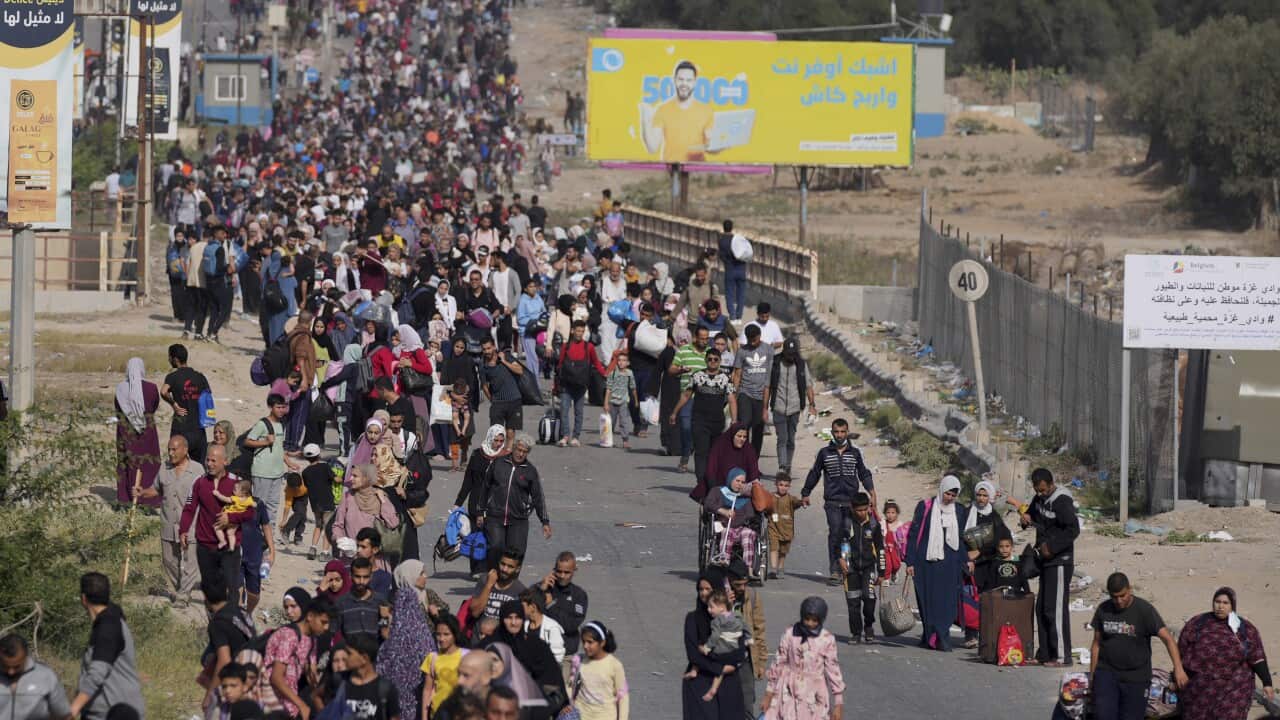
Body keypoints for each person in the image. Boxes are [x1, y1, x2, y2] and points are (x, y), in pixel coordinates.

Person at [1089, 573, 1188, 720]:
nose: (1118, 601)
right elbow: (1096, 644)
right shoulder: (1103, 609)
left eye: (1122, 595)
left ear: (1130, 589)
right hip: (1107, 673)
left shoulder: (1144, 610)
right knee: (1103, 715)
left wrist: (1179, 669)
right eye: (1114, 596)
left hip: (1136, 677)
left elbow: (1168, 639)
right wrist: (1093, 676)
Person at [1177, 586, 1272, 720]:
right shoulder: (1198, 623)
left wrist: (1267, 683)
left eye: (1225, 603)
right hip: (1200, 687)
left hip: (1235, 687)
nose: (1220, 606)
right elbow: (1182, 649)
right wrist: (1178, 671)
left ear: (1232, 605)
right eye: (1217, 602)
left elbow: (1257, 657)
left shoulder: (1245, 628)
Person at [799, 418, 875, 586]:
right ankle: (835, 570)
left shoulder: (855, 453)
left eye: (843, 432)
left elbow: (863, 473)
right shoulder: (824, 453)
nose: (840, 435)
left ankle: (847, 568)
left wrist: (872, 492)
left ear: (847, 432)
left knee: (848, 534)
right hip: (832, 502)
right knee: (835, 532)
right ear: (832, 433)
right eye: (836, 432)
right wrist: (806, 492)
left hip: (851, 502)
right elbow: (815, 473)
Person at [132, 434, 203, 605]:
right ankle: (182, 587)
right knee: (169, 560)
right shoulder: (164, 467)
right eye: (169, 449)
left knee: (190, 562)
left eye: (174, 449)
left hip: (191, 525)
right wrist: (142, 492)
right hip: (168, 523)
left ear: (185, 450)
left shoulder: (198, 470)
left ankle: (183, 595)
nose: (170, 453)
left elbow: (205, 495)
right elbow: (156, 490)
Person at [1020, 467, 1079, 666]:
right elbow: (1031, 514)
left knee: (1055, 609)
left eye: (1044, 490)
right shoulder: (1039, 499)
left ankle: (1062, 656)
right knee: (1042, 608)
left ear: (1051, 484)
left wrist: (1052, 547)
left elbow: (1073, 529)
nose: (1041, 494)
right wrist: (1025, 519)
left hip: (1060, 562)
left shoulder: (1062, 501)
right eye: (1038, 490)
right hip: (1044, 561)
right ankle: (1045, 653)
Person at [180, 444, 257, 596]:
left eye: (214, 461)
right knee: (209, 588)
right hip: (205, 544)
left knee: (231, 587)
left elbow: (251, 512)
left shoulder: (238, 484)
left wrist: (231, 517)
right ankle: (213, 617)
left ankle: (231, 616)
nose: (209, 464)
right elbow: (189, 508)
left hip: (229, 546)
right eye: (207, 460)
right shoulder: (199, 482)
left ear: (225, 461)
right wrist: (183, 530)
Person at [904, 475, 970, 651]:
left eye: (953, 495)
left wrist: (967, 560)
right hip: (926, 564)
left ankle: (942, 636)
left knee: (947, 602)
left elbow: (961, 539)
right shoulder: (925, 507)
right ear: (942, 490)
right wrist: (909, 561)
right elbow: (913, 534)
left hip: (950, 565)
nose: (949, 498)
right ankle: (929, 636)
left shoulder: (959, 510)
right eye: (947, 493)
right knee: (927, 601)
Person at [69, 573, 144, 720]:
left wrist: (74, 708)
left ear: (84, 599)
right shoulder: (111, 619)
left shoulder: (108, 627)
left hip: (116, 714)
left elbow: (98, 672)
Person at [760, 597, 844, 720]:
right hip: (789, 691)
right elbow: (778, 662)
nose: (810, 623)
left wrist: (838, 703)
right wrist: (768, 693)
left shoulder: (827, 639)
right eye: (807, 619)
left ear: (821, 619)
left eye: (815, 620)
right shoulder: (790, 633)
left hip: (814, 694)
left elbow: (833, 670)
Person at [477, 434, 551, 569]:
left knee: (517, 552)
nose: (521, 454)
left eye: (525, 451)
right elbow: (485, 487)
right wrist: (480, 511)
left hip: (518, 519)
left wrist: (544, 521)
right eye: (519, 449)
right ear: (514, 448)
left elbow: (538, 497)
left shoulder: (530, 471)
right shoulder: (498, 463)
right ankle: (493, 576)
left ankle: (510, 583)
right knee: (496, 546)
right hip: (495, 516)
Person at [375, 563, 435, 720]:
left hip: (395, 699)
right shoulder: (421, 631)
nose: (425, 577)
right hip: (417, 694)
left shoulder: (428, 596)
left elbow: (381, 664)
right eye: (421, 573)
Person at [670, 348, 737, 485]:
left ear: (719, 361)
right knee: (701, 451)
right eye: (710, 359)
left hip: (717, 422)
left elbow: (731, 400)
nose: (712, 362)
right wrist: (675, 412)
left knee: (714, 454)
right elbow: (686, 395)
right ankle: (701, 481)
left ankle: (711, 482)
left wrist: (734, 420)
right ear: (706, 360)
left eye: (715, 359)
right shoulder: (697, 376)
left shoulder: (725, 378)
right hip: (699, 420)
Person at [682, 576, 744, 719]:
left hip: (729, 686)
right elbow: (693, 655)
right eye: (700, 589)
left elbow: (739, 651)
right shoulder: (692, 619)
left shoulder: (731, 619)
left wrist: (715, 657)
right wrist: (720, 667)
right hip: (701, 684)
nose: (703, 593)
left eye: (707, 589)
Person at [263, 597, 332, 718]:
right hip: (271, 702)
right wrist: (301, 705)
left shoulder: (312, 639)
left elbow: (309, 674)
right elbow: (276, 677)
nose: (326, 628)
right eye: (323, 622)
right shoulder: (290, 636)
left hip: (289, 702)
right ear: (310, 616)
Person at [455, 425, 509, 577]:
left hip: (496, 504)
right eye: (496, 440)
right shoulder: (477, 454)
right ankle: (477, 569)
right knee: (476, 536)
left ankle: (491, 568)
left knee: (493, 538)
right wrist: (458, 502)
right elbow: (468, 480)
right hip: (476, 502)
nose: (498, 444)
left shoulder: (506, 457)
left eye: (501, 440)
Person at [640, 60, 714, 162]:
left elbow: (711, 147)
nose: (684, 84)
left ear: (695, 82)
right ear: (674, 80)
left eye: (689, 80)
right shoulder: (663, 109)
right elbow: (652, 148)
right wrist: (645, 120)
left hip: (697, 170)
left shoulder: (706, 111)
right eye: (681, 79)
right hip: (671, 170)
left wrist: (723, 144)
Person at [115, 357, 162, 507]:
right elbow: (154, 406)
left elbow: (118, 410)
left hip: (126, 431)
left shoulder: (121, 388)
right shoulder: (151, 388)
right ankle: (148, 500)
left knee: (127, 463)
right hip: (147, 431)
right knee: (148, 463)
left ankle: (126, 498)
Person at [839, 493, 885, 645]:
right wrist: (841, 560)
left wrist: (882, 572)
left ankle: (869, 625)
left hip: (869, 568)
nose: (862, 513)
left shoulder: (873, 525)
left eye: (865, 509)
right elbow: (839, 543)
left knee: (869, 597)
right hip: (850, 569)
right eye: (859, 510)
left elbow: (880, 549)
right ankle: (856, 633)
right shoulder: (846, 524)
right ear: (852, 509)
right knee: (853, 603)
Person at [554, 320, 607, 447]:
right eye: (578, 331)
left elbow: (596, 363)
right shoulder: (566, 346)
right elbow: (560, 365)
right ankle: (565, 436)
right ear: (572, 331)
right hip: (566, 384)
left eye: (582, 331)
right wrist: (555, 384)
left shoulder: (589, 347)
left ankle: (576, 437)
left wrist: (605, 374)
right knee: (564, 410)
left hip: (581, 385)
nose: (580, 333)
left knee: (579, 412)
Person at [540, 551, 588, 685]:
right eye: (559, 571)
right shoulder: (544, 587)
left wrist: (550, 605)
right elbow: (525, 609)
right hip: (541, 650)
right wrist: (539, 591)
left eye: (567, 573)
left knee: (562, 694)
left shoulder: (579, 595)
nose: (562, 576)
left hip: (565, 653)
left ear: (574, 570)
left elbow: (571, 624)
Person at [768, 338, 816, 476]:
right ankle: (782, 466)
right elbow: (768, 386)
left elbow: (808, 385)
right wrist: (764, 406)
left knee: (791, 439)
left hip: (795, 408)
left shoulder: (801, 365)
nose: (791, 356)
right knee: (782, 438)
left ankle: (788, 464)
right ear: (784, 352)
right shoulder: (775, 363)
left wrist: (812, 405)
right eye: (788, 354)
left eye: (793, 354)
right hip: (778, 406)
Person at [331, 464, 400, 553]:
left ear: (366, 478)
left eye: (355, 476)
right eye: (351, 475)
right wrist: (342, 541)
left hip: (375, 559)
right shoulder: (348, 497)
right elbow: (337, 526)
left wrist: (383, 501)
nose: (351, 479)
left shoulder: (379, 497)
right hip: (352, 557)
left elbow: (393, 523)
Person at [0, 633, 71, 720]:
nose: (11, 672)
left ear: (26, 657)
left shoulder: (46, 676)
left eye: (16, 666)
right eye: (5, 666)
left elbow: (64, 715)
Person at [245, 394, 292, 524]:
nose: (281, 410)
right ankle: (253, 534)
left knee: (273, 506)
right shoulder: (262, 424)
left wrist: (288, 462)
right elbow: (248, 441)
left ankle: (267, 537)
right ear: (271, 407)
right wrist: (265, 442)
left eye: (283, 407)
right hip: (262, 472)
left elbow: (279, 447)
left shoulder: (281, 424)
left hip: (277, 473)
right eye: (278, 407)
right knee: (258, 506)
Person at [701, 469, 759, 573]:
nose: (739, 484)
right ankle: (724, 560)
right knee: (727, 533)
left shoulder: (744, 498)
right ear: (730, 479)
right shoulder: (718, 491)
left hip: (741, 528)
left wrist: (742, 514)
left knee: (749, 533)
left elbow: (750, 514)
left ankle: (747, 568)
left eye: (742, 482)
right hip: (724, 526)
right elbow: (708, 504)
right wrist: (723, 511)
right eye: (737, 481)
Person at [161, 343, 211, 462]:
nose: (168, 359)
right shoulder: (200, 377)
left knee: (177, 463)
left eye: (169, 357)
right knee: (199, 467)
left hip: (181, 428)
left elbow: (163, 391)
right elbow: (207, 398)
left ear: (175, 359)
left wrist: (174, 404)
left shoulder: (173, 377)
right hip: (198, 429)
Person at [573, 622, 629, 720]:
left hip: (605, 716)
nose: (585, 646)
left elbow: (623, 696)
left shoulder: (614, 665)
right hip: (580, 715)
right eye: (584, 641)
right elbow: (571, 687)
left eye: (590, 642)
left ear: (602, 643)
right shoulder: (578, 660)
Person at [732, 324, 773, 455]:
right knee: (744, 424)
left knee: (758, 429)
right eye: (749, 339)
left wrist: (767, 402)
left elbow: (770, 374)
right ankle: (741, 456)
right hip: (745, 393)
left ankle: (753, 461)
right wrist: (734, 394)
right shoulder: (742, 351)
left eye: (754, 339)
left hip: (762, 395)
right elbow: (737, 374)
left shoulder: (768, 349)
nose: (752, 342)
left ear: (759, 336)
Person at [695, 422, 760, 503]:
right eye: (739, 436)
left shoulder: (749, 449)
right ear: (732, 436)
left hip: (742, 490)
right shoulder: (720, 446)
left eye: (744, 437)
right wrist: (715, 489)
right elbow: (711, 469)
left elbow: (754, 470)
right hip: (720, 487)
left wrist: (754, 483)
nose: (742, 439)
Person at [421, 615, 469, 718]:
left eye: (446, 634)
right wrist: (424, 717)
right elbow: (427, 690)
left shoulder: (466, 656)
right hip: (437, 714)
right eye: (438, 634)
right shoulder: (432, 658)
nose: (442, 639)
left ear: (455, 635)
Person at [337, 557, 390, 643]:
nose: (361, 581)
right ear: (351, 575)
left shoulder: (380, 601)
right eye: (357, 576)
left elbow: (386, 633)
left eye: (365, 577)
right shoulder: (341, 602)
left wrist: (385, 618)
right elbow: (336, 633)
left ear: (371, 576)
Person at [479, 337, 525, 431]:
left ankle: (508, 446)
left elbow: (520, 370)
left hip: (514, 399)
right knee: (496, 431)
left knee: (510, 431)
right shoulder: (483, 365)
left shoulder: (505, 356)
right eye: (484, 349)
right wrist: (492, 399)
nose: (487, 351)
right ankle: (500, 446)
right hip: (497, 402)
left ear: (494, 347)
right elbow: (484, 386)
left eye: (488, 348)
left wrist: (504, 361)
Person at [470, 550, 528, 623]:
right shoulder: (485, 580)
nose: (504, 569)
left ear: (517, 569)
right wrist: (489, 585)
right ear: (498, 562)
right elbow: (475, 613)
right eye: (503, 564)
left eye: (510, 567)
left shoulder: (520, 590)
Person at [300, 445, 334, 561]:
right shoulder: (325, 467)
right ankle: (324, 552)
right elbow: (335, 479)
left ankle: (313, 548)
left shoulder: (305, 472)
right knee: (328, 527)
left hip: (315, 503)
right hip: (327, 501)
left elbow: (307, 485)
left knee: (318, 525)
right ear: (319, 455)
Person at [767, 473, 801, 580]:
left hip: (787, 529)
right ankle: (773, 568)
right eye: (781, 485)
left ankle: (780, 567)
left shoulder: (791, 499)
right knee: (774, 547)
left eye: (786, 486)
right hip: (773, 527)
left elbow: (798, 503)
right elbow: (764, 505)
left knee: (783, 551)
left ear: (789, 486)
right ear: (776, 484)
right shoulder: (770, 497)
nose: (783, 488)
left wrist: (803, 502)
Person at [603, 351, 638, 449]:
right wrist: (605, 403)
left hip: (623, 401)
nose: (621, 362)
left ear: (628, 363)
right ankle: (608, 440)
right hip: (612, 402)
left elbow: (633, 387)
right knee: (611, 422)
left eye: (624, 360)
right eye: (619, 360)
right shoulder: (612, 374)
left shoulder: (629, 374)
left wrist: (636, 400)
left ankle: (625, 441)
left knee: (624, 422)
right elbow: (608, 389)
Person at [211, 477, 256, 551]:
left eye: (235, 490)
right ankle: (232, 547)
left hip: (228, 517)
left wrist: (217, 494)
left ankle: (222, 541)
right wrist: (254, 504)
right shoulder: (248, 500)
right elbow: (254, 504)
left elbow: (225, 499)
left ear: (243, 492)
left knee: (216, 528)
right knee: (230, 533)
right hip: (236, 522)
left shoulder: (235, 498)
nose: (233, 490)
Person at [520, 590, 565, 664]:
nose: (519, 608)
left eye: (522, 606)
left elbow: (558, 656)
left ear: (533, 607)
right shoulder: (523, 625)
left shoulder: (552, 628)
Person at [717, 220, 748, 321]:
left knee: (729, 293)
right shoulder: (738, 239)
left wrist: (727, 262)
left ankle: (733, 315)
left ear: (723, 227)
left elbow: (721, 256)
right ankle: (739, 315)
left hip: (730, 269)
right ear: (732, 227)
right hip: (741, 269)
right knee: (741, 293)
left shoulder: (722, 241)